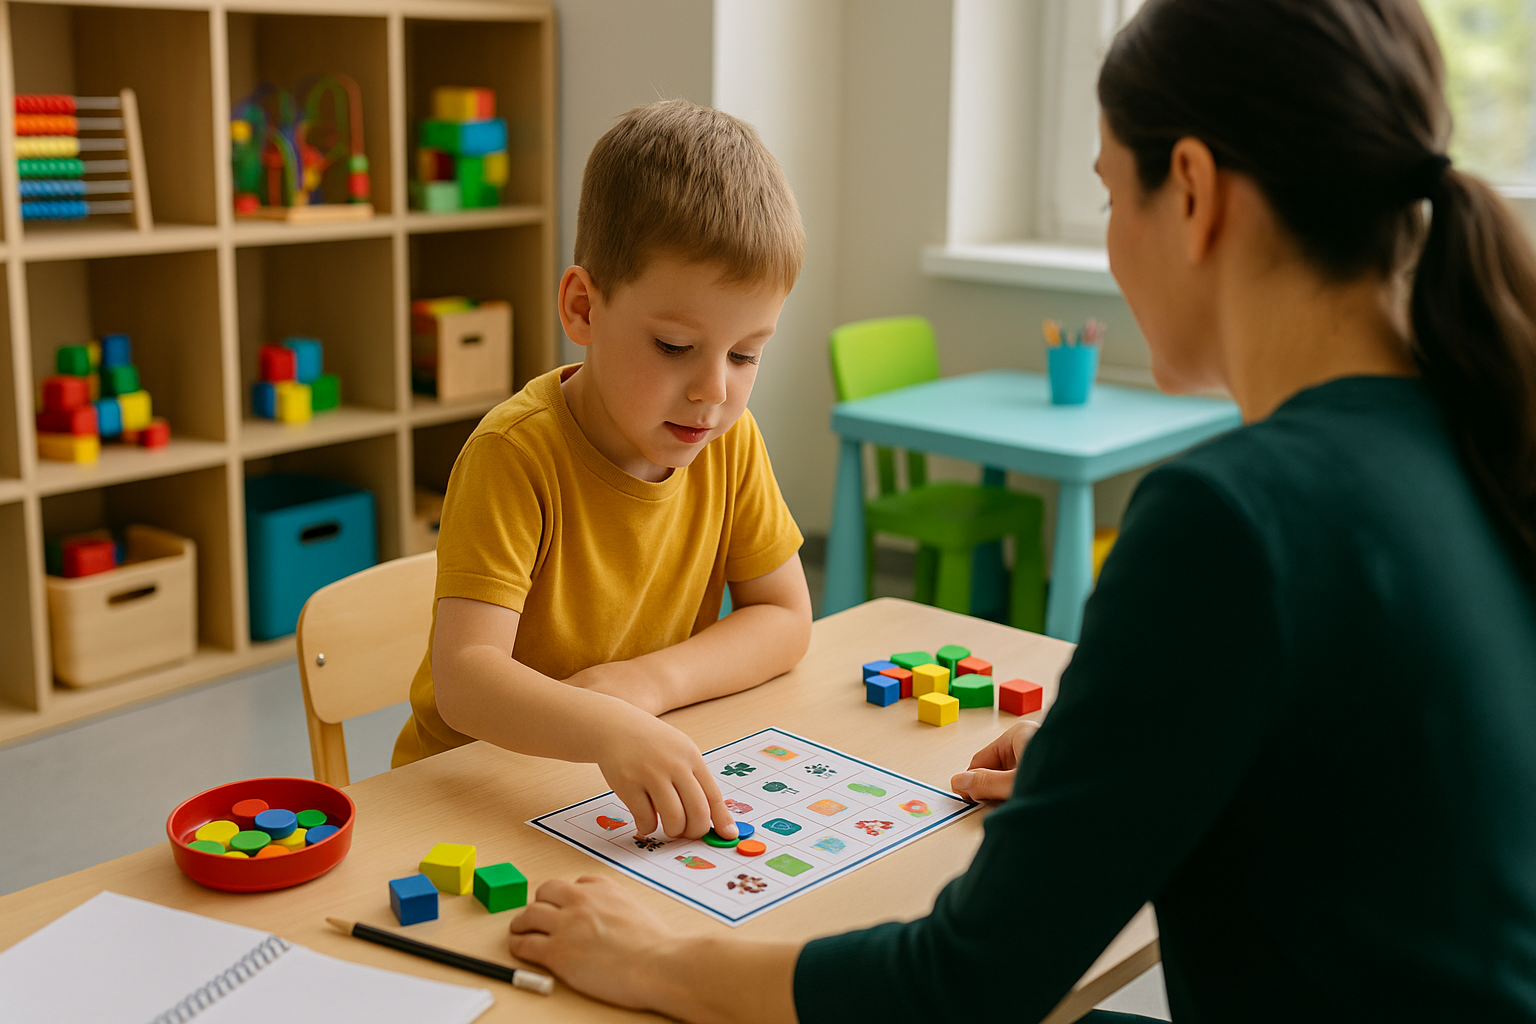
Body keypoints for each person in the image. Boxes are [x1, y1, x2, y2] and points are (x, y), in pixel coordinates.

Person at [502, 1, 1536, 1020]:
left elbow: (962, 987)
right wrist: (1116, 762)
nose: (1111, 246)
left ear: (1191, 191)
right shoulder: (1484, 430)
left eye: (1106, 198)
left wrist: (658, 960)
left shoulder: (1227, 519)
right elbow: (1362, 780)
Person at [392, 100, 813, 844]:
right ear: (583, 307)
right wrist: (606, 725)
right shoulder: (515, 456)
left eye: (745, 354)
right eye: (676, 346)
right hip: (470, 798)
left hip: (610, 779)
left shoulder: (730, 442)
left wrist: (646, 687)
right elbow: (466, 680)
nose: (714, 391)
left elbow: (785, 619)